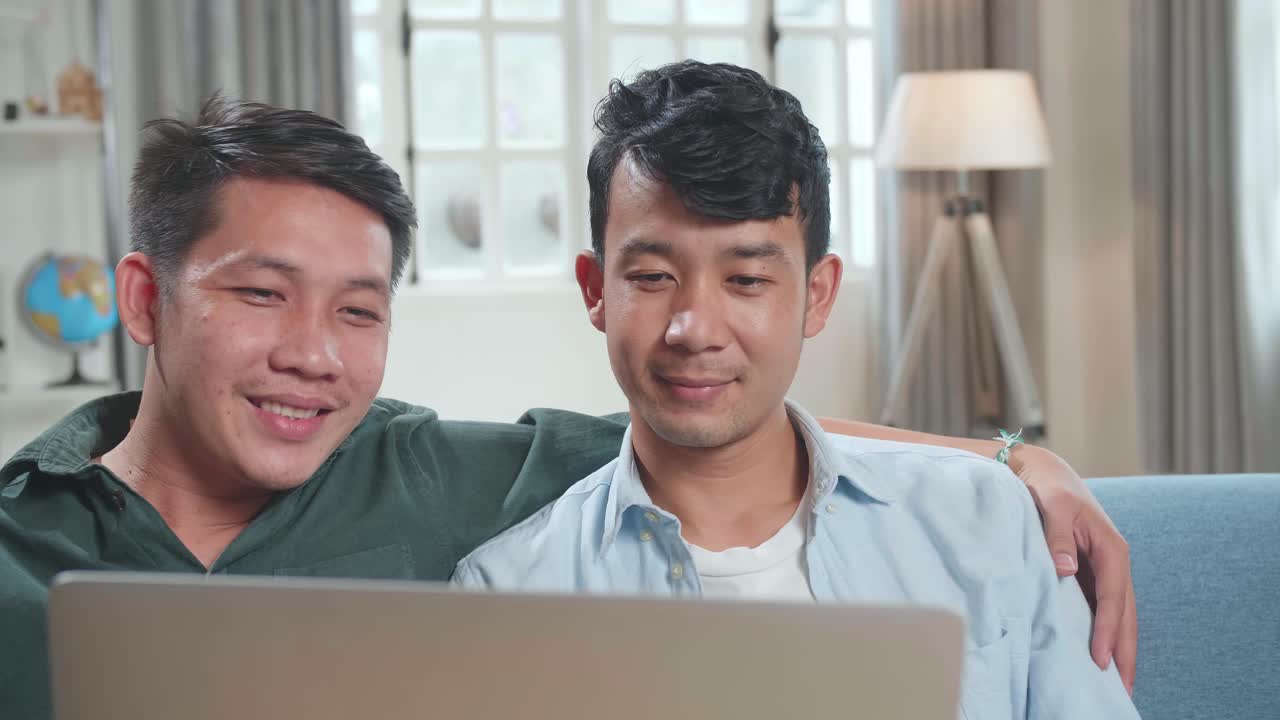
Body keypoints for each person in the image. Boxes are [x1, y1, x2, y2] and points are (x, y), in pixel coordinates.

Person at [0, 94, 1132, 719]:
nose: (311, 357)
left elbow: (712, 420)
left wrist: (1006, 456)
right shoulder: (14, 539)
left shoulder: (427, 471)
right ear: (144, 300)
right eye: (260, 294)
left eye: (357, 310)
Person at [451, 62, 1138, 718]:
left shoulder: (988, 522)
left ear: (817, 294)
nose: (695, 330)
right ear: (597, 291)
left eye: (746, 280)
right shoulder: (508, 595)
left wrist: (1020, 457)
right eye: (654, 277)